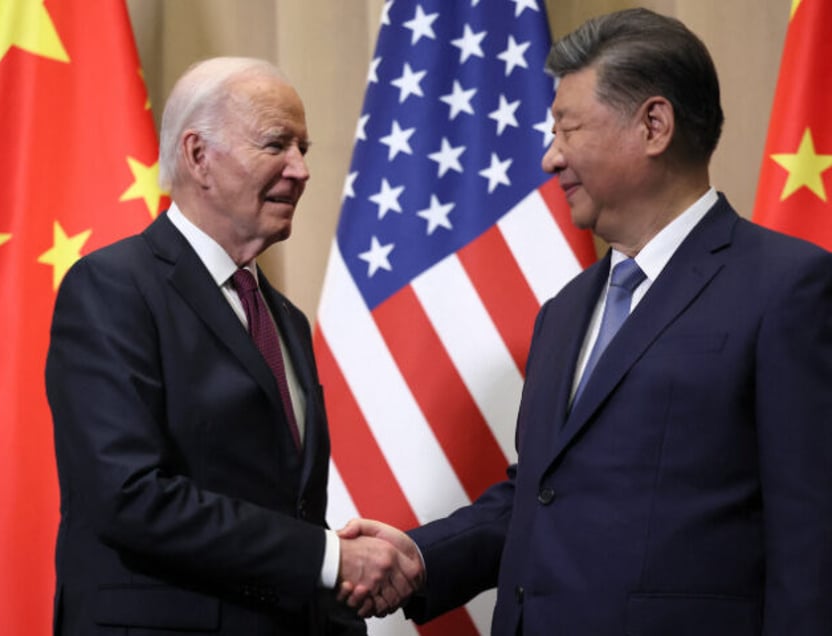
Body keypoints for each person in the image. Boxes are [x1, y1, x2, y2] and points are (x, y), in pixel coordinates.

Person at [339, 8, 832, 634]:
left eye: (566, 129)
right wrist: (421, 556)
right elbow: (543, 493)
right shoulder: (565, 311)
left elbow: (813, 536)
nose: (550, 159)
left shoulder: (788, 287)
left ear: (654, 124)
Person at [45, 57, 422, 636]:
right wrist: (328, 558)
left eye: (304, 147)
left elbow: (284, 502)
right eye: (277, 144)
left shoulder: (286, 319)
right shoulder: (114, 287)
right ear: (198, 156)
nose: (300, 170)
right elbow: (127, 496)